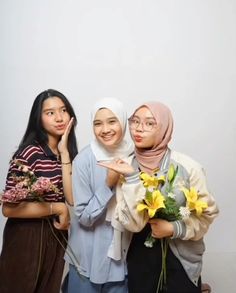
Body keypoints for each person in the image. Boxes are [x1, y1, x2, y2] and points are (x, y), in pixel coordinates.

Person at [98, 101, 219, 293]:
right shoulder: (125, 166)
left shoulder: (187, 167)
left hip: (182, 258)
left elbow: (207, 214)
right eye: (135, 121)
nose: (139, 129)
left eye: (149, 123)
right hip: (140, 256)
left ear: (163, 128)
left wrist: (173, 227)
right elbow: (132, 223)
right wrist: (131, 178)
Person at [0, 89, 78, 293]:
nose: (59, 117)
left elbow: (71, 198)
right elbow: (8, 209)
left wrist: (64, 153)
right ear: (39, 118)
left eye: (63, 110)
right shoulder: (29, 152)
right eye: (50, 113)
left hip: (57, 237)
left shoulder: (67, 153)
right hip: (27, 236)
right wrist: (56, 207)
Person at [65, 98, 133, 293]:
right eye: (97, 123)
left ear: (122, 121)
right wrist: (108, 184)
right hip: (87, 259)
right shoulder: (84, 160)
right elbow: (84, 217)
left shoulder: (134, 157)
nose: (105, 129)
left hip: (123, 260)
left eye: (112, 121)